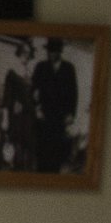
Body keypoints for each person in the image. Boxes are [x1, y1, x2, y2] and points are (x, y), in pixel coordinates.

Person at [31, 36, 80, 174]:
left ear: (60, 52)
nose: (51, 54)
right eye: (49, 51)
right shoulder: (40, 67)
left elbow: (73, 93)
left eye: (55, 51)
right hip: (43, 117)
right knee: (42, 152)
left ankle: (53, 177)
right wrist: (37, 108)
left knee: (56, 153)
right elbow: (34, 90)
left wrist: (71, 114)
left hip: (60, 118)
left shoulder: (69, 69)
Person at [0, 39, 37, 172]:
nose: (27, 56)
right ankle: (17, 172)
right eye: (24, 53)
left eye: (29, 53)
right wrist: (6, 119)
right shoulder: (12, 72)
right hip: (16, 116)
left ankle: (26, 173)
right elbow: (7, 97)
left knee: (28, 146)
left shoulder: (30, 73)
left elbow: (32, 96)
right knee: (17, 145)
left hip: (28, 115)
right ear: (19, 53)